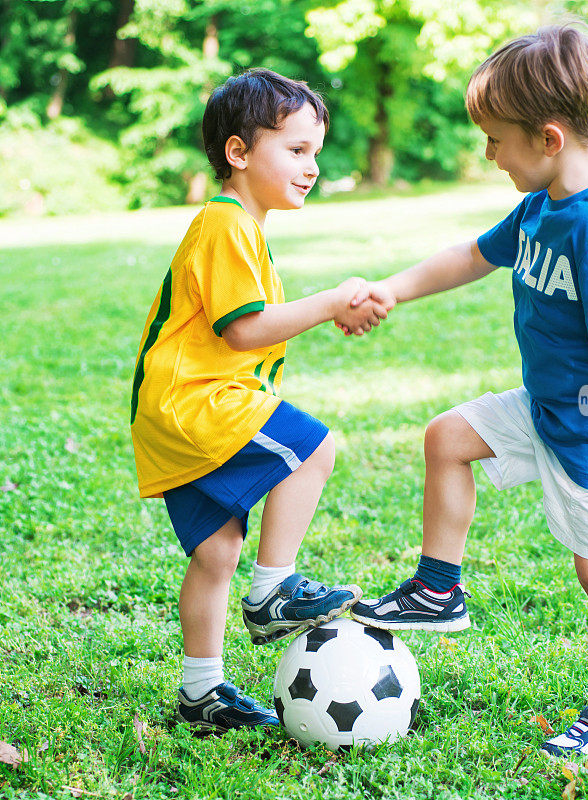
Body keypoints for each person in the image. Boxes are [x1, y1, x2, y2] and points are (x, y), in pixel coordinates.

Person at [349, 24, 588, 756]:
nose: (490, 155)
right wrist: (393, 291)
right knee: (447, 437)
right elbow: (472, 256)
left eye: (497, 140)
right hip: (543, 407)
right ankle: (438, 588)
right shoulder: (542, 207)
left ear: (551, 137)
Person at [130, 69, 387, 732]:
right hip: (199, 402)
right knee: (315, 447)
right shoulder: (227, 225)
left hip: (172, 414)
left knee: (215, 553)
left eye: (316, 153)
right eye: (296, 150)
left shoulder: (240, 227)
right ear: (239, 153)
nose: (312, 167)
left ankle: (201, 693)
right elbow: (242, 327)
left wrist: (331, 311)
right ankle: (274, 588)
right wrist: (332, 302)